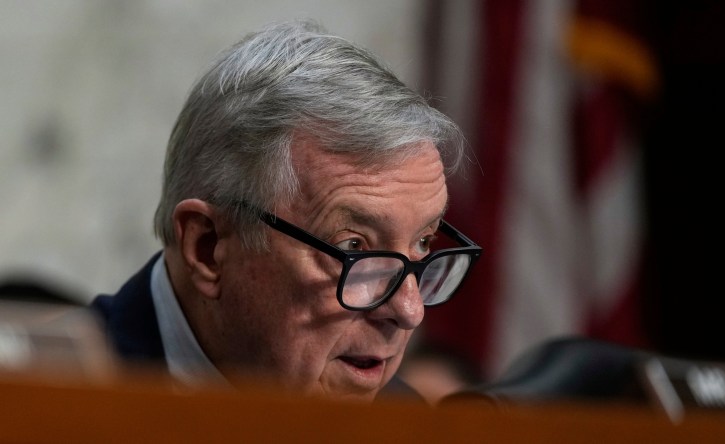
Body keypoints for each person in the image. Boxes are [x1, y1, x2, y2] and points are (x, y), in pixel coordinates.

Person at [91, 20, 481, 403]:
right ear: (207, 248)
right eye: (355, 248)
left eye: (424, 242)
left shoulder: (405, 420)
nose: (409, 310)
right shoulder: (48, 397)